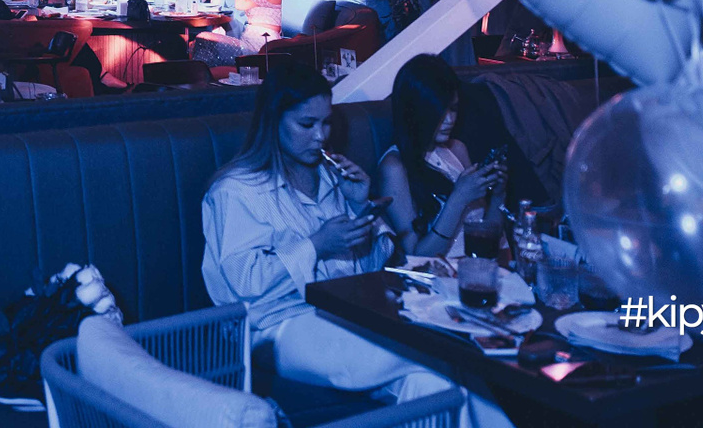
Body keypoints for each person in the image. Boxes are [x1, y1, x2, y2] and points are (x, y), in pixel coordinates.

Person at [201, 64, 509, 428]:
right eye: (306, 124)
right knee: (444, 348)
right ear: (273, 121)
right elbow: (244, 284)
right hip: (276, 326)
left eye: (326, 123)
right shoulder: (236, 191)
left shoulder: (330, 178)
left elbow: (373, 269)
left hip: (344, 314)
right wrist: (316, 245)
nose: (320, 136)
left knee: (432, 385)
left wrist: (360, 205)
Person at [373, 55, 506, 259]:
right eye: (439, 111)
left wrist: (498, 195)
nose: (450, 120)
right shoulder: (394, 167)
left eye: (453, 108)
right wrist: (458, 198)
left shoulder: (457, 149)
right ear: (415, 111)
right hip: (439, 271)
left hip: (481, 263)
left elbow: (488, 237)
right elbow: (417, 254)